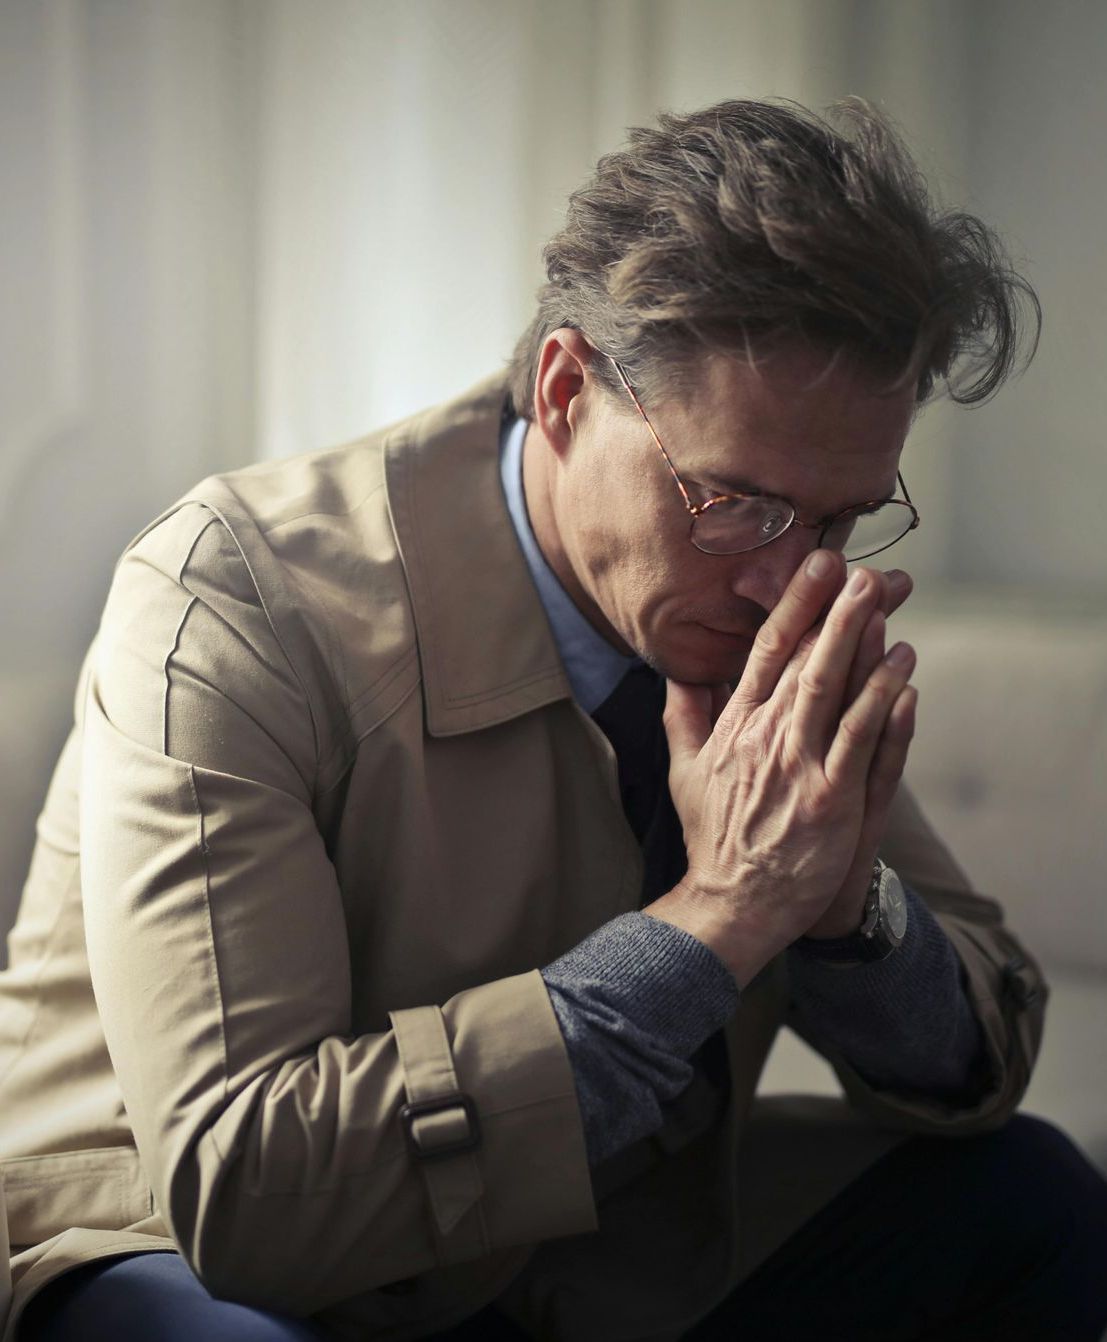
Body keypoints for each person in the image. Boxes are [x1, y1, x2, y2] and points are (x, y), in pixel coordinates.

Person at [2, 97, 1105, 1342]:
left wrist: (849, 911)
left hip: (583, 1251)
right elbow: (250, 1187)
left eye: (841, 518)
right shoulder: (233, 595)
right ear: (569, 388)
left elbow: (983, 1054)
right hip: (180, 1257)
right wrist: (723, 918)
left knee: (1033, 1200)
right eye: (733, 503)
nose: (786, 577)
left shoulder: (764, 609)